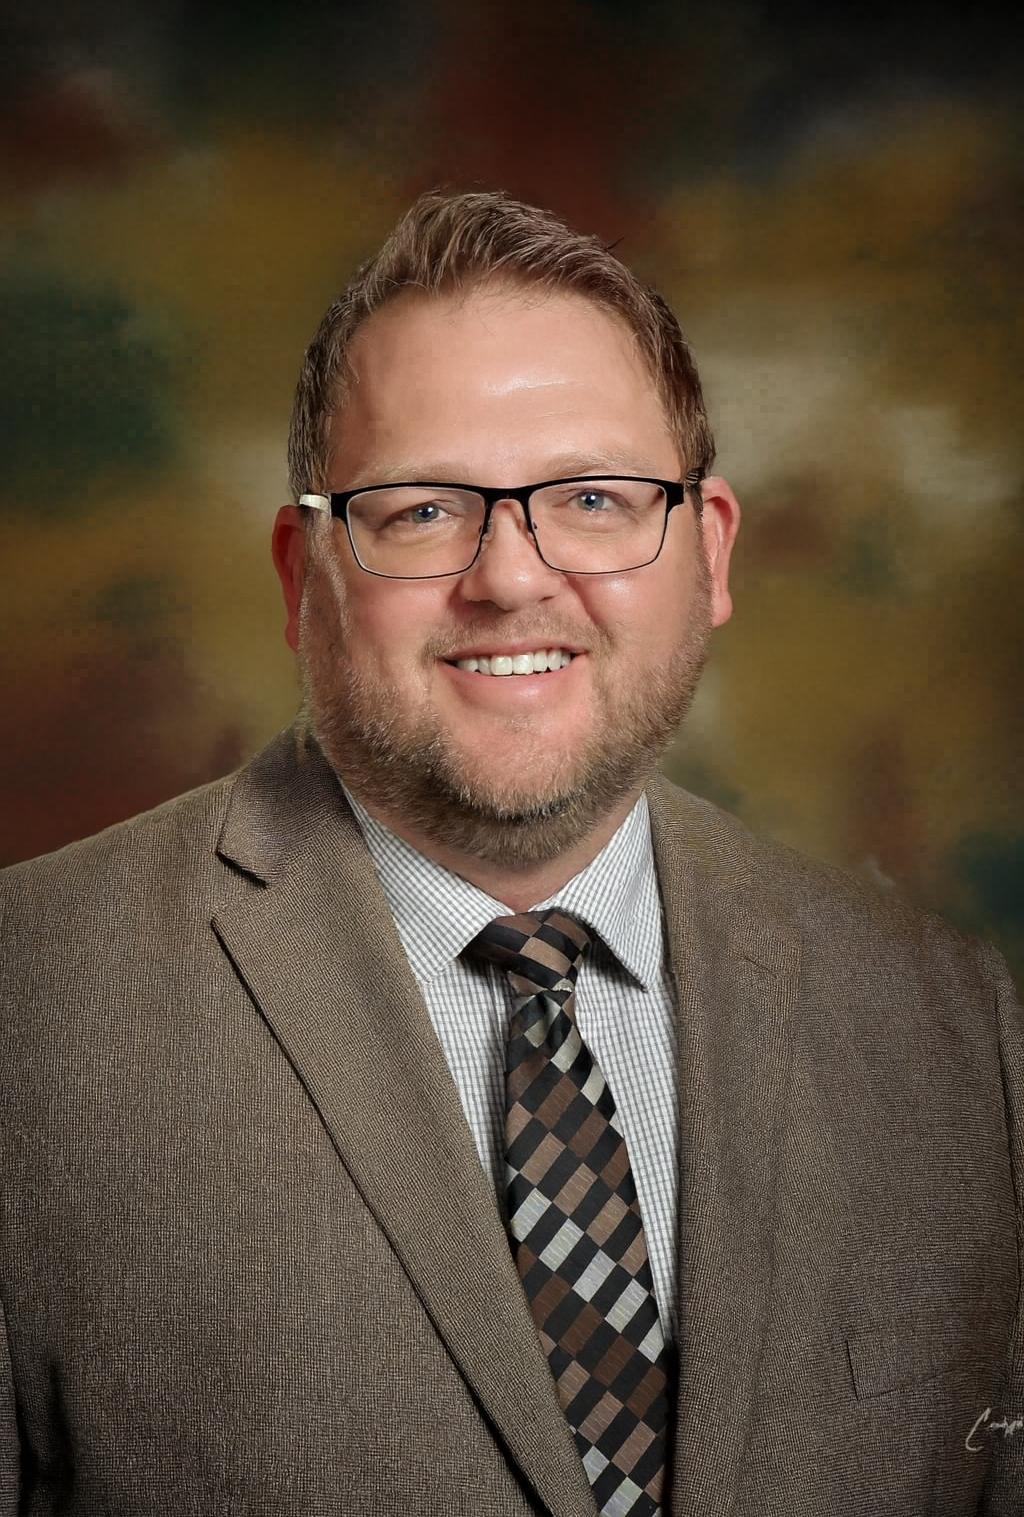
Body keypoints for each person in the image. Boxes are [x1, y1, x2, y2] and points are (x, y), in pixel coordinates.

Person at [0, 191, 1021, 1517]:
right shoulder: (28, 1007)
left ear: (710, 553)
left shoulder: (957, 1031)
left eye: (593, 498)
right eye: (423, 510)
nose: (512, 578)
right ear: (304, 573)